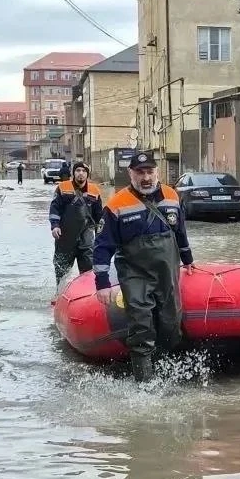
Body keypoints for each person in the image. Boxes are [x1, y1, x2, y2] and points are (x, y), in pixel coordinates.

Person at [92, 151, 194, 382]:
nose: (146, 178)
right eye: (140, 172)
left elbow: (180, 232)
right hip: (135, 276)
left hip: (167, 274)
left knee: (171, 325)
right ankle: (145, 385)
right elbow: (102, 246)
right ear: (131, 174)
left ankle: (166, 378)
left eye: (149, 171)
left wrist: (188, 259)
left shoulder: (172, 196)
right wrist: (102, 283)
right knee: (141, 327)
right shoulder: (116, 204)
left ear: (157, 172)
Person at [49, 161, 103, 289]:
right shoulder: (63, 187)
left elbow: (99, 216)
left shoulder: (94, 191)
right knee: (61, 270)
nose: (81, 173)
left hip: (86, 237)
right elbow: (55, 209)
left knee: (88, 270)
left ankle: (86, 293)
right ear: (73, 173)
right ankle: (60, 292)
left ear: (87, 174)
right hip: (65, 236)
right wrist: (55, 226)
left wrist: (101, 236)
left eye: (84, 171)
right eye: (78, 170)